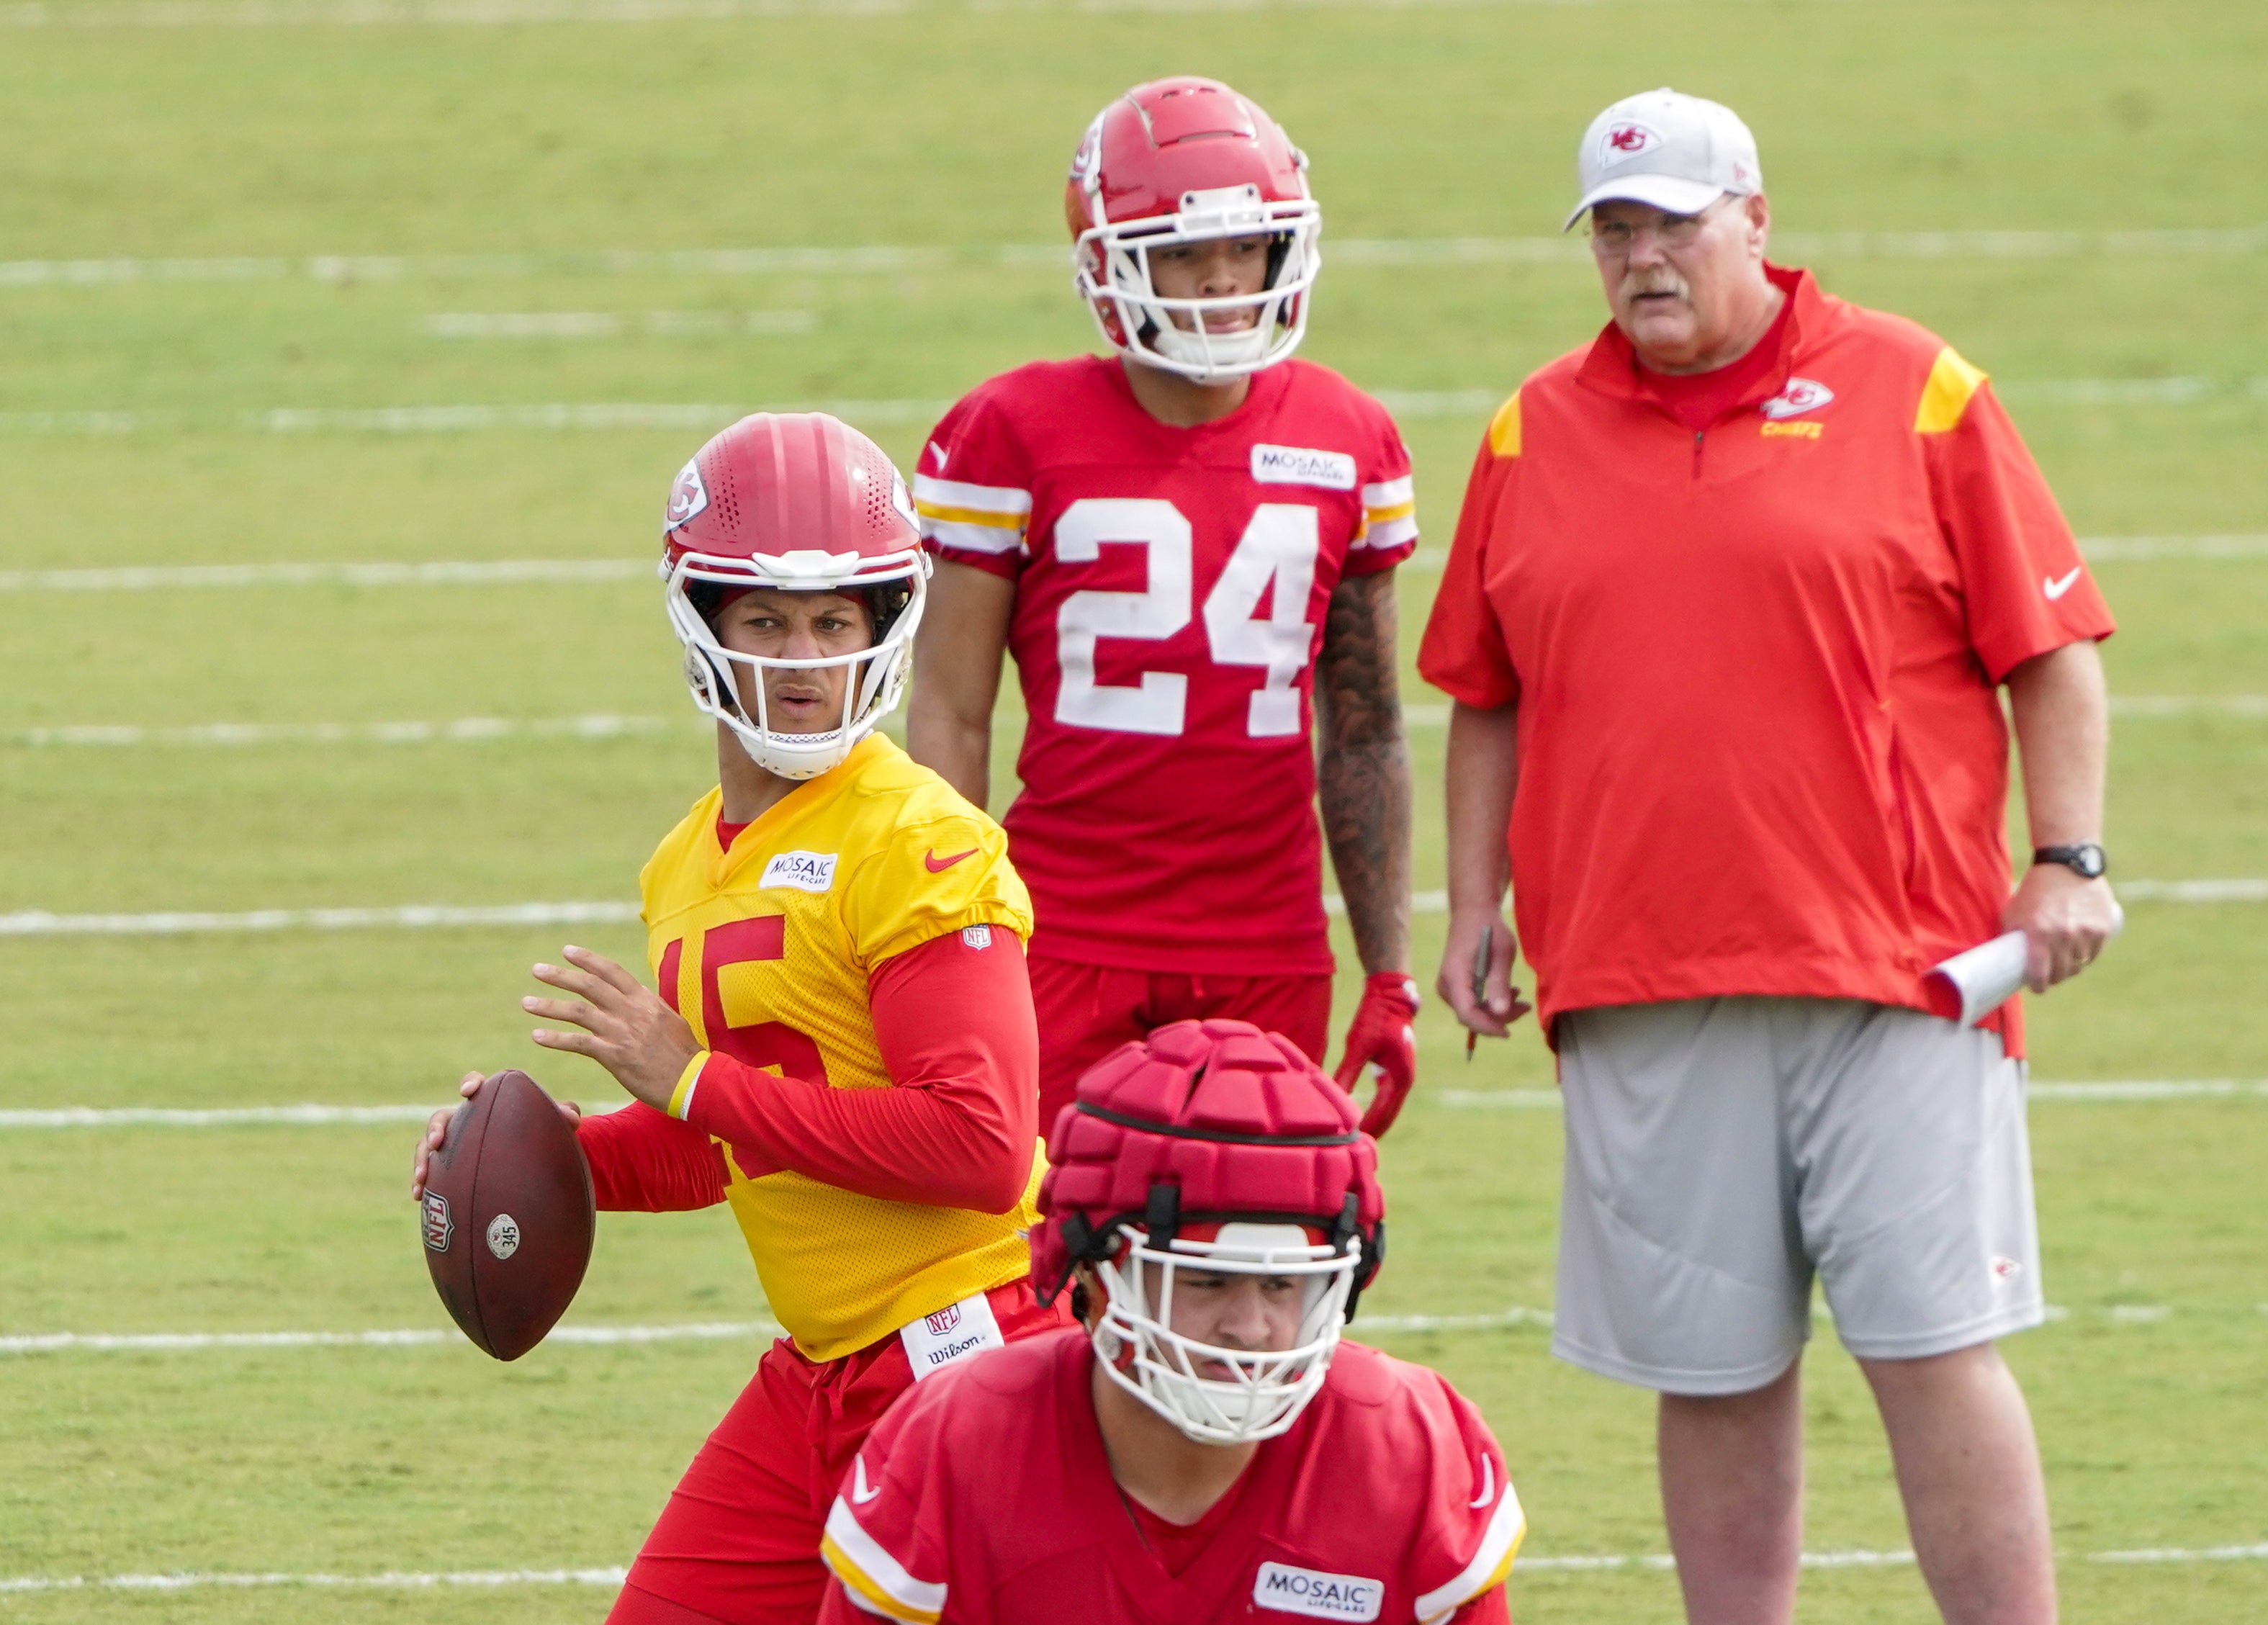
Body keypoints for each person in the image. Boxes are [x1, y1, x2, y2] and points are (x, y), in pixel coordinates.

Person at [1418, 89, 2120, 1625]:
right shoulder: (1531, 427)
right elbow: (1485, 696)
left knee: (1933, 1347)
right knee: (1709, 1372)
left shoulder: (1920, 391)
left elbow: (2054, 649)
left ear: (1757, 219)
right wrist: (1474, 906)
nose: (1644, 257)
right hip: (1635, 975)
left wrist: (2066, 856)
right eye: (1615, 229)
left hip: (1904, 976)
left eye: (1674, 220)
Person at [410, 412, 1068, 1625]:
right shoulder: (684, 860)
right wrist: (549, 1154)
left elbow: (979, 1148)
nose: (802, 658)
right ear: (701, 623)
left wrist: (690, 1079)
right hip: (820, 1372)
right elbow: (734, 1139)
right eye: (764, 620)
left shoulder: (917, 838)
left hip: (967, 1355)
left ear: (882, 625)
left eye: (833, 621)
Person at [903, 76, 1421, 1140]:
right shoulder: (1012, 429)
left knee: (1258, 1252)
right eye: (1184, 252)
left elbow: (1365, 728)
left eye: (1246, 247)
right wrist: (945, 935)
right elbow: (951, 712)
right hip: (1062, 927)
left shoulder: (1346, 435)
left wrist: (1391, 972)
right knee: (1045, 1253)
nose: (1222, 279)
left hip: (1268, 943)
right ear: (1110, 262)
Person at [815, 1019, 1526, 1625]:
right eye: (1206, 1279)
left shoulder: (1408, 1448)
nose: (1249, 1326)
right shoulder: (961, 1442)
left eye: (1283, 1282)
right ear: (1092, 1271)